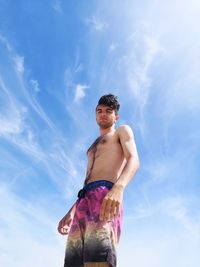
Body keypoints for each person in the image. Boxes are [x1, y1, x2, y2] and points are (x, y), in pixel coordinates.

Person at [58, 94, 140, 267]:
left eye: (108, 111)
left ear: (115, 116)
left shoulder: (121, 131)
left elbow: (134, 160)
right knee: (73, 263)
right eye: (99, 110)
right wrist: (71, 212)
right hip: (83, 200)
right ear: (95, 115)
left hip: (105, 197)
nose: (103, 114)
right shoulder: (92, 146)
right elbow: (87, 181)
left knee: (98, 260)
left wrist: (118, 188)